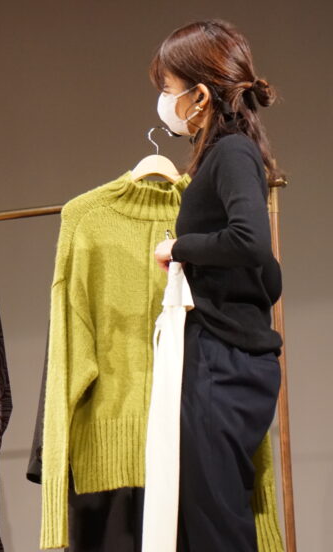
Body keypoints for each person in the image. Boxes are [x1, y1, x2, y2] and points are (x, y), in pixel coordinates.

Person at [151, 21, 284, 552]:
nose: (164, 102)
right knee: (213, 520)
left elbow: (251, 242)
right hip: (230, 362)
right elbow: (268, 275)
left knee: (215, 528)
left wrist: (178, 248)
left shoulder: (230, 153)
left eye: (168, 89)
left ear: (200, 96)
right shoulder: (231, 154)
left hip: (221, 366)